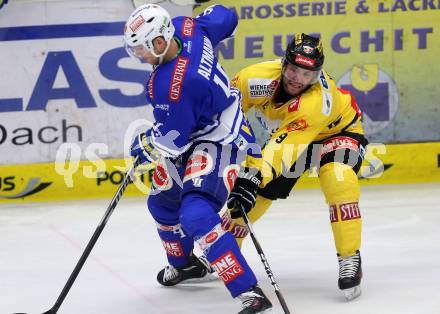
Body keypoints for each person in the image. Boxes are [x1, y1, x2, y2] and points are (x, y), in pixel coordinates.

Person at [123, 4, 272, 313]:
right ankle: (186, 265)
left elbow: (172, 143)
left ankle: (249, 292)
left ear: (160, 42)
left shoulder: (170, 86)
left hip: (220, 138)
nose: (139, 55)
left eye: (142, 49)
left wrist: (148, 143)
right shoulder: (186, 28)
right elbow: (226, 16)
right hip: (196, 125)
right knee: (162, 204)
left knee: (195, 215)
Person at [222, 33, 368, 301]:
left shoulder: (315, 102)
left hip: (336, 132)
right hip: (292, 131)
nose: (297, 79)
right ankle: (222, 251)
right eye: (292, 69)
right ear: (283, 63)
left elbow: (281, 151)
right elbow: (226, 113)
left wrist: (253, 175)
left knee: (338, 176)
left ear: (316, 75)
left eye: (307, 74)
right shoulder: (253, 79)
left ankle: (349, 256)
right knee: (254, 191)